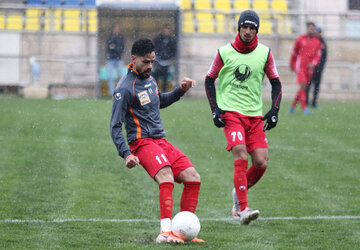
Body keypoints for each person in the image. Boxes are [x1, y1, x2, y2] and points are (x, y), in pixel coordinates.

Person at [110, 38, 204, 244]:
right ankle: (164, 232)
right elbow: (115, 125)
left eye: (153, 61)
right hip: (141, 143)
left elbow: (159, 101)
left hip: (160, 141)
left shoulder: (150, 81)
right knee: (166, 176)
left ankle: (184, 231)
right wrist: (126, 153)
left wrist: (181, 90)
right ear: (133, 59)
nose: (150, 66)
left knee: (193, 177)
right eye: (146, 62)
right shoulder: (125, 88)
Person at [204, 10, 282, 225]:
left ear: (257, 30)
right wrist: (215, 109)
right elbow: (209, 79)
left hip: (254, 116)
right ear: (238, 28)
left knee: (261, 162)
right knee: (240, 154)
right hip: (231, 113)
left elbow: (276, 82)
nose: (248, 31)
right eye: (244, 27)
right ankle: (242, 209)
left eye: (252, 28)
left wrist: (274, 111)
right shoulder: (224, 52)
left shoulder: (265, 53)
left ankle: (237, 194)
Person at [289, 22, 321, 114]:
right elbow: (294, 53)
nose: (311, 30)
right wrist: (292, 64)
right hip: (301, 66)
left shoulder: (317, 42)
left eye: (312, 29)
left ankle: (292, 106)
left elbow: (318, 55)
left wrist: (314, 63)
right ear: (307, 29)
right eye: (309, 28)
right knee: (303, 85)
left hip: (310, 68)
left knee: (303, 88)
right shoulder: (300, 39)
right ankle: (304, 108)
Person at [306, 26, 327, 109]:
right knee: (308, 85)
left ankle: (314, 103)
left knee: (316, 87)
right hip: (310, 68)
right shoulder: (312, 41)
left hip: (318, 69)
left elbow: (324, 57)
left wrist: (320, 67)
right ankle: (306, 103)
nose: (317, 34)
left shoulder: (322, 42)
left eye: (319, 32)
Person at [152, 25, 177, 92]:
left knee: (165, 78)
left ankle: (164, 92)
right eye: (164, 31)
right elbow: (154, 49)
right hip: (158, 61)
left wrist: (171, 59)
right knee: (156, 75)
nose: (166, 32)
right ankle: (155, 90)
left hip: (167, 62)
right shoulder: (157, 39)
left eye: (167, 31)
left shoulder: (172, 40)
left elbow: (174, 51)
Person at [106, 24, 125, 96]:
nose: (117, 30)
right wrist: (116, 48)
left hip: (119, 59)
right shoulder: (110, 37)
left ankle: (120, 92)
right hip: (111, 59)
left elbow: (121, 49)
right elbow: (109, 47)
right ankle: (111, 93)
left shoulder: (121, 38)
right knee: (110, 77)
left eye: (118, 28)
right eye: (115, 28)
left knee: (120, 77)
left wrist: (115, 47)